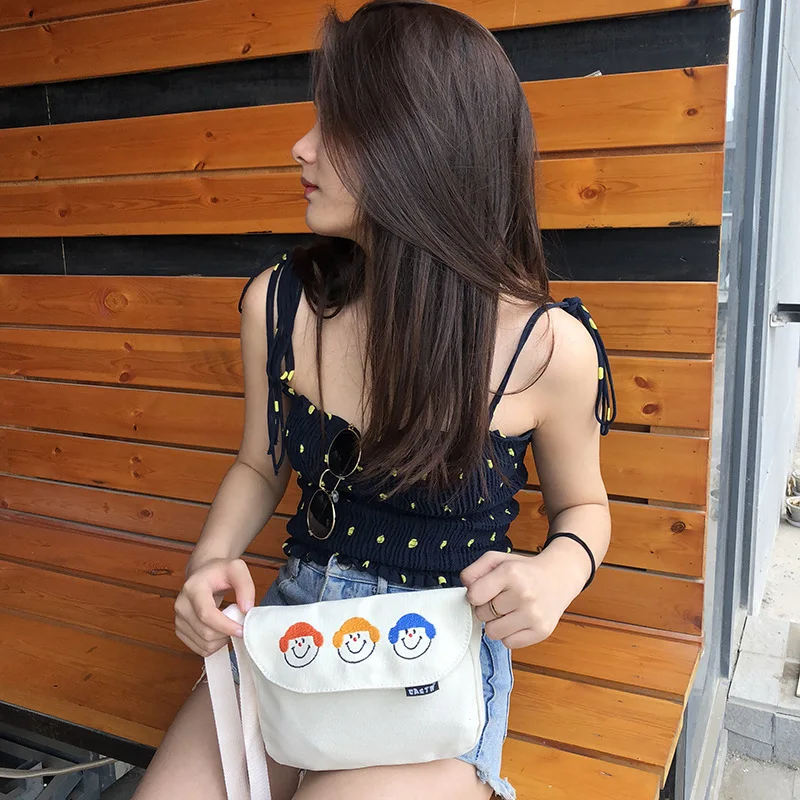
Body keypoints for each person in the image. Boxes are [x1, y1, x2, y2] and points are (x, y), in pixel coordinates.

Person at [132, 1, 614, 798]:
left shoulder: (548, 348)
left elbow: (585, 509)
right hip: (295, 631)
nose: (302, 146)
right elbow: (259, 464)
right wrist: (210, 564)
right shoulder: (279, 304)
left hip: (437, 660)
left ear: (421, 146)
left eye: (339, 125)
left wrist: (558, 574)